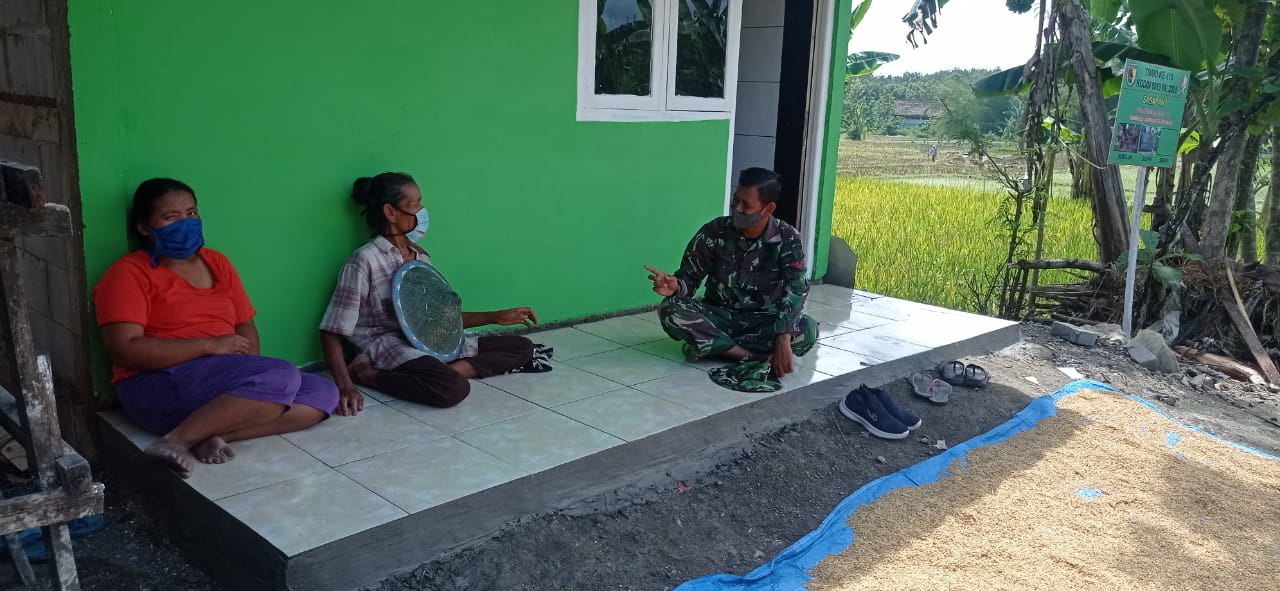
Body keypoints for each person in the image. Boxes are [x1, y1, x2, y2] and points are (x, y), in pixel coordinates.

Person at [94, 178, 338, 478]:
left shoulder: (217, 262)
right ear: (144, 227)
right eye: (171, 217)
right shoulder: (128, 273)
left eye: (192, 213)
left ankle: (208, 434)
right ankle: (174, 441)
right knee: (281, 377)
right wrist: (210, 345)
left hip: (217, 378)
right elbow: (124, 350)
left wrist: (249, 366)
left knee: (323, 393)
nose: (185, 223)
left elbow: (244, 324)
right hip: (155, 384)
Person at [320, 172, 536, 416]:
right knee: (453, 388)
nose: (422, 211)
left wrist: (496, 316)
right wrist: (345, 386)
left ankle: (437, 370)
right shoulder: (364, 261)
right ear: (390, 213)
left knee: (522, 347)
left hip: (429, 341)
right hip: (389, 345)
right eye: (415, 205)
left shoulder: (420, 258)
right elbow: (331, 331)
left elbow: (440, 318)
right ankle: (368, 374)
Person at [645, 167, 816, 379]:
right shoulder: (714, 231)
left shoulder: (788, 238)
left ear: (767, 209)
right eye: (736, 200)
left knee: (807, 329)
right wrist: (675, 286)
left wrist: (783, 336)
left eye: (746, 205)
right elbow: (688, 280)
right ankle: (747, 355)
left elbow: (797, 288)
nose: (737, 208)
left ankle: (713, 347)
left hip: (763, 322)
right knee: (671, 309)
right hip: (719, 317)